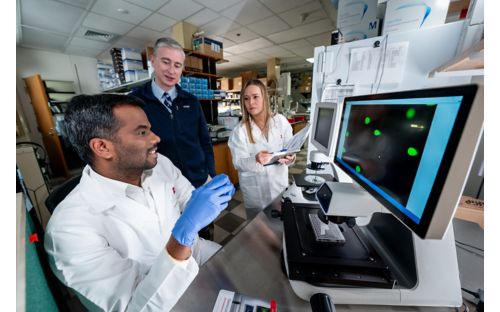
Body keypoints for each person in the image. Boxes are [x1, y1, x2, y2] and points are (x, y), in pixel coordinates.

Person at [44, 94, 235, 311]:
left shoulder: (159, 164)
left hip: (199, 258)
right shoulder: (68, 231)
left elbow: (188, 200)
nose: (156, 138)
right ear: (102, 147)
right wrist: (181, 238)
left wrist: (208, 197)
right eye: (142, 132)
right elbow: (135, 307)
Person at [130, 37, 215, 188]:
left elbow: (205, 142)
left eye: (177, 65)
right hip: (161, 185)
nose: (171, 70)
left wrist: (211, 174)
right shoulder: (135, 102)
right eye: (165, 62)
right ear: (153, 60)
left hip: (198, 179)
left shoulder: (191, 101)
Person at [228, 79, 295, 209]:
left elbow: (291, 150)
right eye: (246, 99)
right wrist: (256, 159)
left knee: (281, 225)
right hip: (256, 192)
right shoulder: (239, 131)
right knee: (258, 227)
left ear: (264, 97)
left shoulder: (280, 122)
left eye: (255, 97)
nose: (250, 103)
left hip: (279, 185)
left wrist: (291, 159)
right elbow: (238, 163)